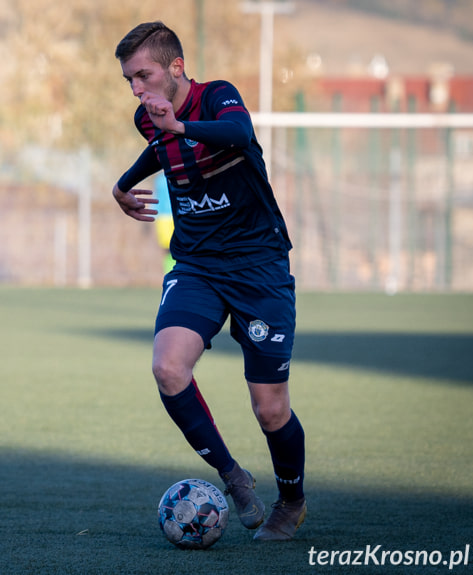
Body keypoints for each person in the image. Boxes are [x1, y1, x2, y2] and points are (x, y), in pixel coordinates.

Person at [112, 22, 306, 541]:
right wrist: (123, 184)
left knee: (270, 408)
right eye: (129, 79)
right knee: (167, 367)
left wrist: (178, 126)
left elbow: (240, 135)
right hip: (197, 264)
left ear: (175, 67)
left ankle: (291, 500)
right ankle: (233, 477)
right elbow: (160, 149)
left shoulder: (218, 97)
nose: (136, 89)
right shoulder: (147, 119)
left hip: (258, 264)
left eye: (143, 75)